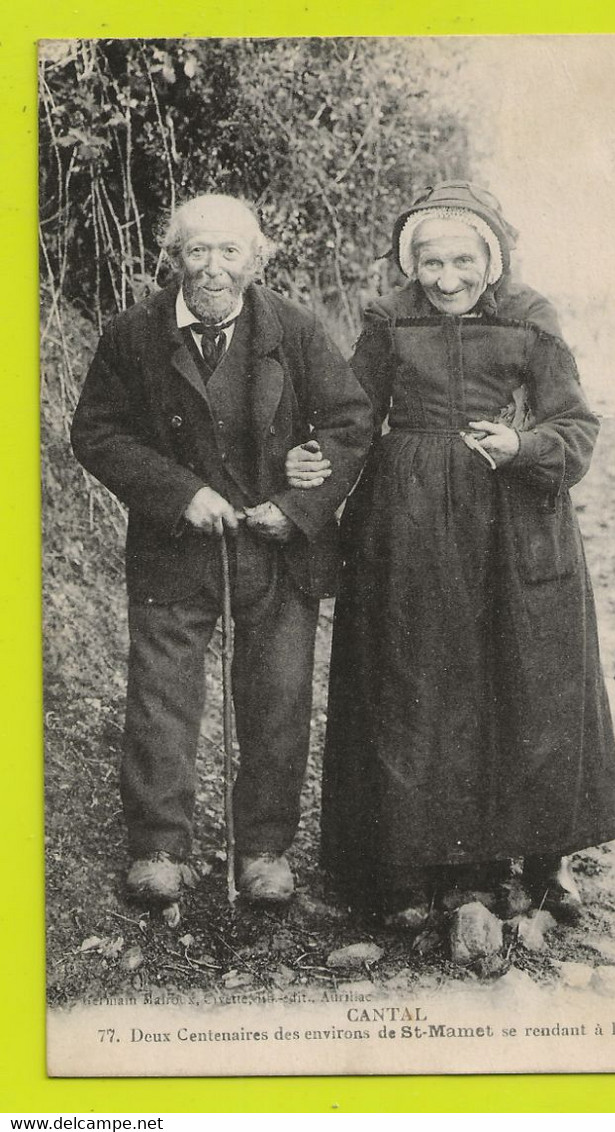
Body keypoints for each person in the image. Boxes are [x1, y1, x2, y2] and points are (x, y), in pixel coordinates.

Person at [287, 181, 615, 927]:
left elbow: (576, 427)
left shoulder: (531, 318)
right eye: (431, 263)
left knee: (529, 681)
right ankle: (414, 865)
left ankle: (542, 860)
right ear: (412, 265)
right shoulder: (388, 319)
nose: (446, 280)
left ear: (491, 259)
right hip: (405, 527)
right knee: (413, 683)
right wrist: (309, 480)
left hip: (512, 521)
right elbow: (352, 419)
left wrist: (524, 445)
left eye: (462, 262)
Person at [71, 193, 372, 909]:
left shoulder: (295, 331)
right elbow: (99, 432)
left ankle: (263, 849)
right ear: (173, 258)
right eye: (196, 251)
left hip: (276, 550)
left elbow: (351, 423)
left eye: (229, 251)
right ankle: (158, 847)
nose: (212, 268)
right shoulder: (132, 334)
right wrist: (179, 493)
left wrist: (296, 506)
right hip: (174, 547)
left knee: (277, 696)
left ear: (256, 258)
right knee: (160, 695)